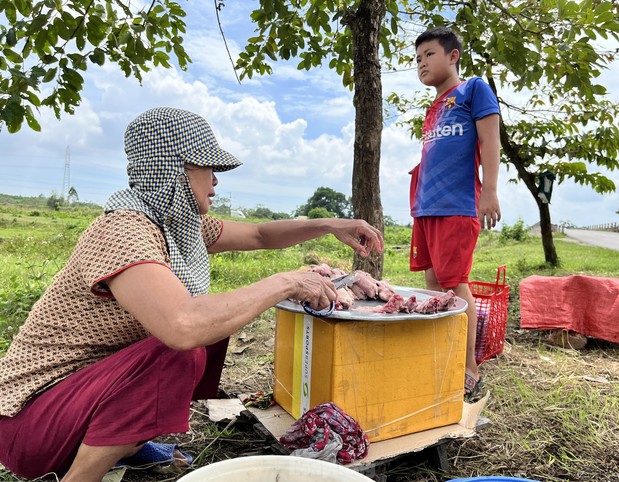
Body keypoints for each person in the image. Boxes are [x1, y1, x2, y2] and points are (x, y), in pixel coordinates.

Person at [0, 107, 384, 481]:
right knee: (184, 346)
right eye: (208, 168)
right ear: (173, 169)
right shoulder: (122, 231)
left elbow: (259, 235)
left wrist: (329, 224)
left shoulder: (175, 223)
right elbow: (183, 326)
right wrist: (286, 283)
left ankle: (127, 446)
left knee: (214, 326)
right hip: (28, 423)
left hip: (73, 401)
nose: (216, 181)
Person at [409, 27, 501, 401]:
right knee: (433, 285)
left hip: (457, 206)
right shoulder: (433, 108)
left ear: (453, 56)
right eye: (417, 60)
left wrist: (490, 191)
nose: (422, 64)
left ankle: (469, 371)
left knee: (454, 283)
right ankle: (444, 360)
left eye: (429, 54)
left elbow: (489, 140)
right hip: (426, 208)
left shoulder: (474, 89)